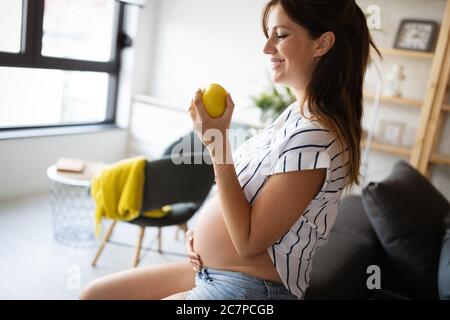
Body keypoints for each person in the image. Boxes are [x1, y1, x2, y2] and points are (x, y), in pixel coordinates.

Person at [80, 0, 380, 300]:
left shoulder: (315, 136)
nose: (267, 48)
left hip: (247, 290)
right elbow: (245, 194)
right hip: (214, 271)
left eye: (281, 35)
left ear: (322, 43)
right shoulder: (295, 116)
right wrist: (201, 237)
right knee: (95, 294)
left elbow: (249, 242)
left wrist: (217, 144)